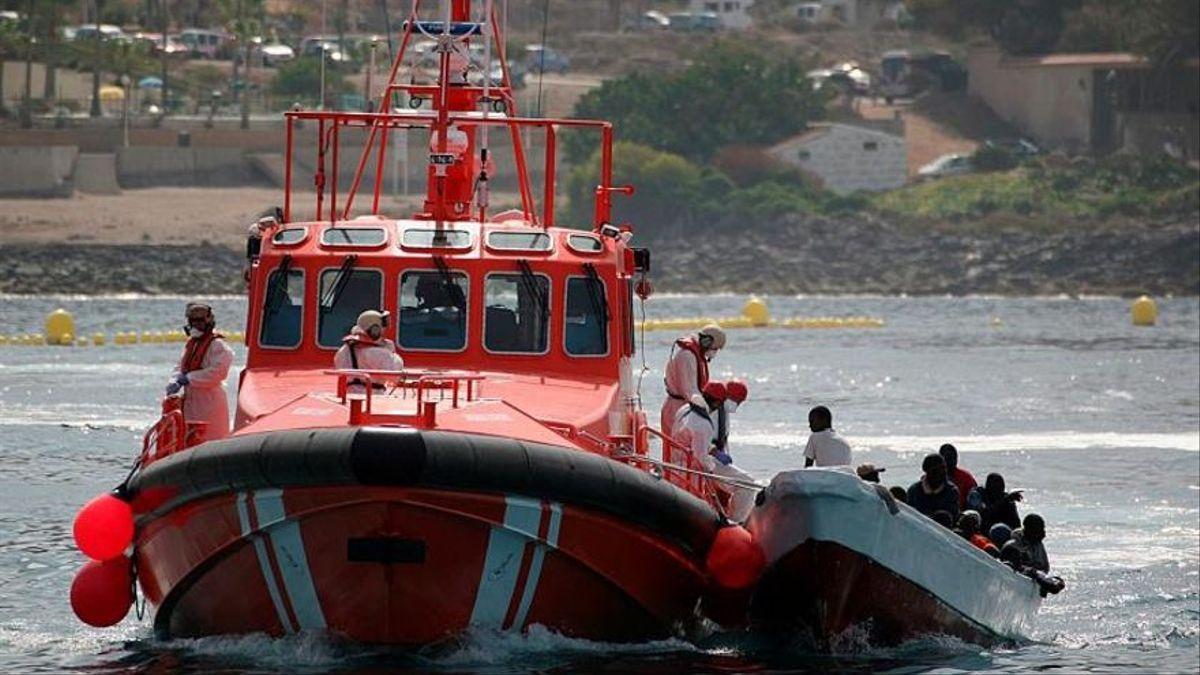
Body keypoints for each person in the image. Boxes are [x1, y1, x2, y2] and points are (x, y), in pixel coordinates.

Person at [673, 380, 756, 522]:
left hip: (681, 461)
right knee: (748, 483)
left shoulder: (684, 410)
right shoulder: (703, 422)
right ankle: (735, 522)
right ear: (718, 403)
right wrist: (714, 466)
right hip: (695, 465)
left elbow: (692, 439)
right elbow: (701, 458)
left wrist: (715, 453)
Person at [165, 302, 235, 442]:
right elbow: (180, 366)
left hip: (209, 401)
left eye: (200, 321)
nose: (196, 325)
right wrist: (175, 381)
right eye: (193, 321)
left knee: (211, 437)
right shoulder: (191, 343)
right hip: (191, 399)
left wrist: (189, 378)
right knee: (189, 436)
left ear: (208, 321)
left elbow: (217, 373)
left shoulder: (218, 346)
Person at [661, 324, 726, 444]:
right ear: (707, 342)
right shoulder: (687, 356)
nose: (715, 352)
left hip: (684, 407)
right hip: (676, 409)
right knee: (678, 451)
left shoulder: (697, 356)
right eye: (715, 349)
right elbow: (689, 391)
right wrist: (707, 407)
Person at [334, 310, 404, 390]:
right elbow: (395, 376)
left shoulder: (343, 351)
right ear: (375, 330)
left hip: (349, 394)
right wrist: (393, 354)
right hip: (374, 396)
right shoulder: (381, 353)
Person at [906, 453, 960, 521]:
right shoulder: (914, 491)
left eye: (943, 469)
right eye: (935, 470)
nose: (940, 473)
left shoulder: (951, 491)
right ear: (926, 470)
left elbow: (953, 517)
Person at [939, 443, 977, 510]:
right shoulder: (931, 478)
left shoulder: (966, 478)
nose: (951, 461)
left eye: (954, 458)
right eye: (948, 458)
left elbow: (974, 501)